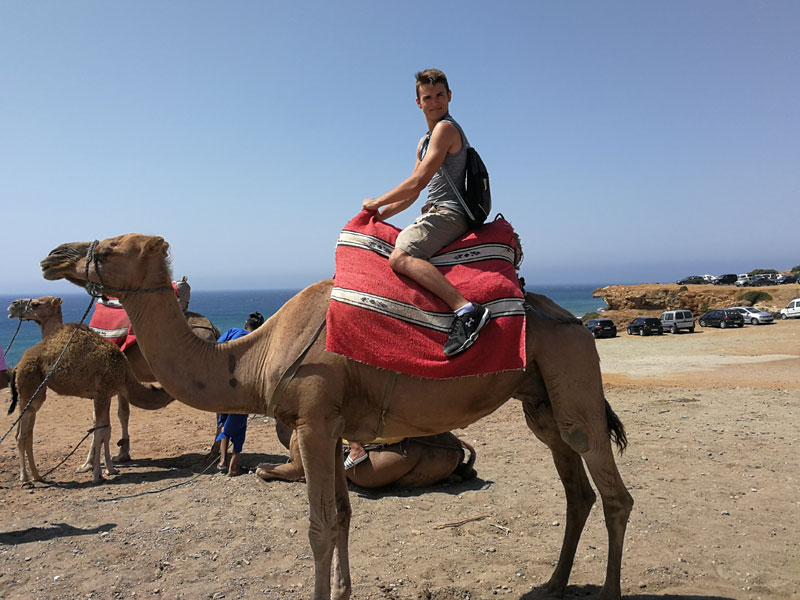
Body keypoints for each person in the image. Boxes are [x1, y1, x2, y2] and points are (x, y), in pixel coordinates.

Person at [362, 68, 490, 358]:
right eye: (428, 97)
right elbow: (414, 193)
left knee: (401, 257)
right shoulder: (423, 142)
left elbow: (417, 182)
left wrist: (377, 201)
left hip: (450, 213)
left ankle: (467, 311)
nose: (435, 102)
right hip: (431, 211)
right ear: (418, 103)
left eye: (440, 95)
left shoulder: (446, 129)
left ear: (450, 96)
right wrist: (378, 216)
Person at [215, 311, 265, 476]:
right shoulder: (259, 342)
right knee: (239, 428)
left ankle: (222, 461)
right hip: (242, 389)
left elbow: (216, 348)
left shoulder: (232, 332)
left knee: (224, 422)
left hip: (223, 386)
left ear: (245, 325)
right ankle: (234, 467)